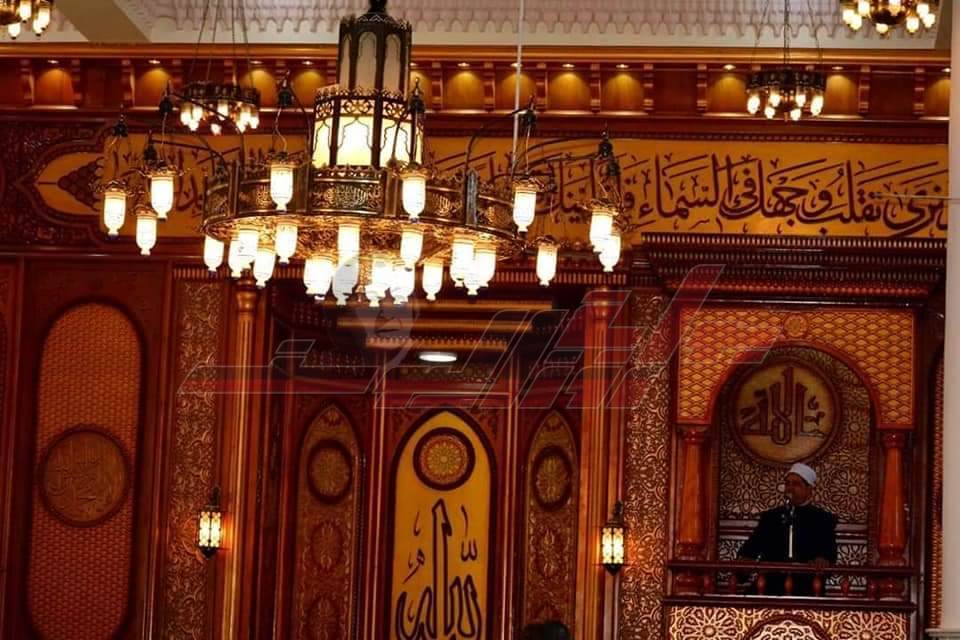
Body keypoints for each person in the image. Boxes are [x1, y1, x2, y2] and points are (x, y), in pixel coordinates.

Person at [737, 462, 837, 596]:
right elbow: (751, 549)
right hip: (771, 584)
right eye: (787, 483)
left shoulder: (823, 519)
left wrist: (822, 561)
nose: (790, 488)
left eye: (796, 484)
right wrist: (746, 560)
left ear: (809, 489)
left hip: (806, 586)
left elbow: (829, 554)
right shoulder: (771, 517)